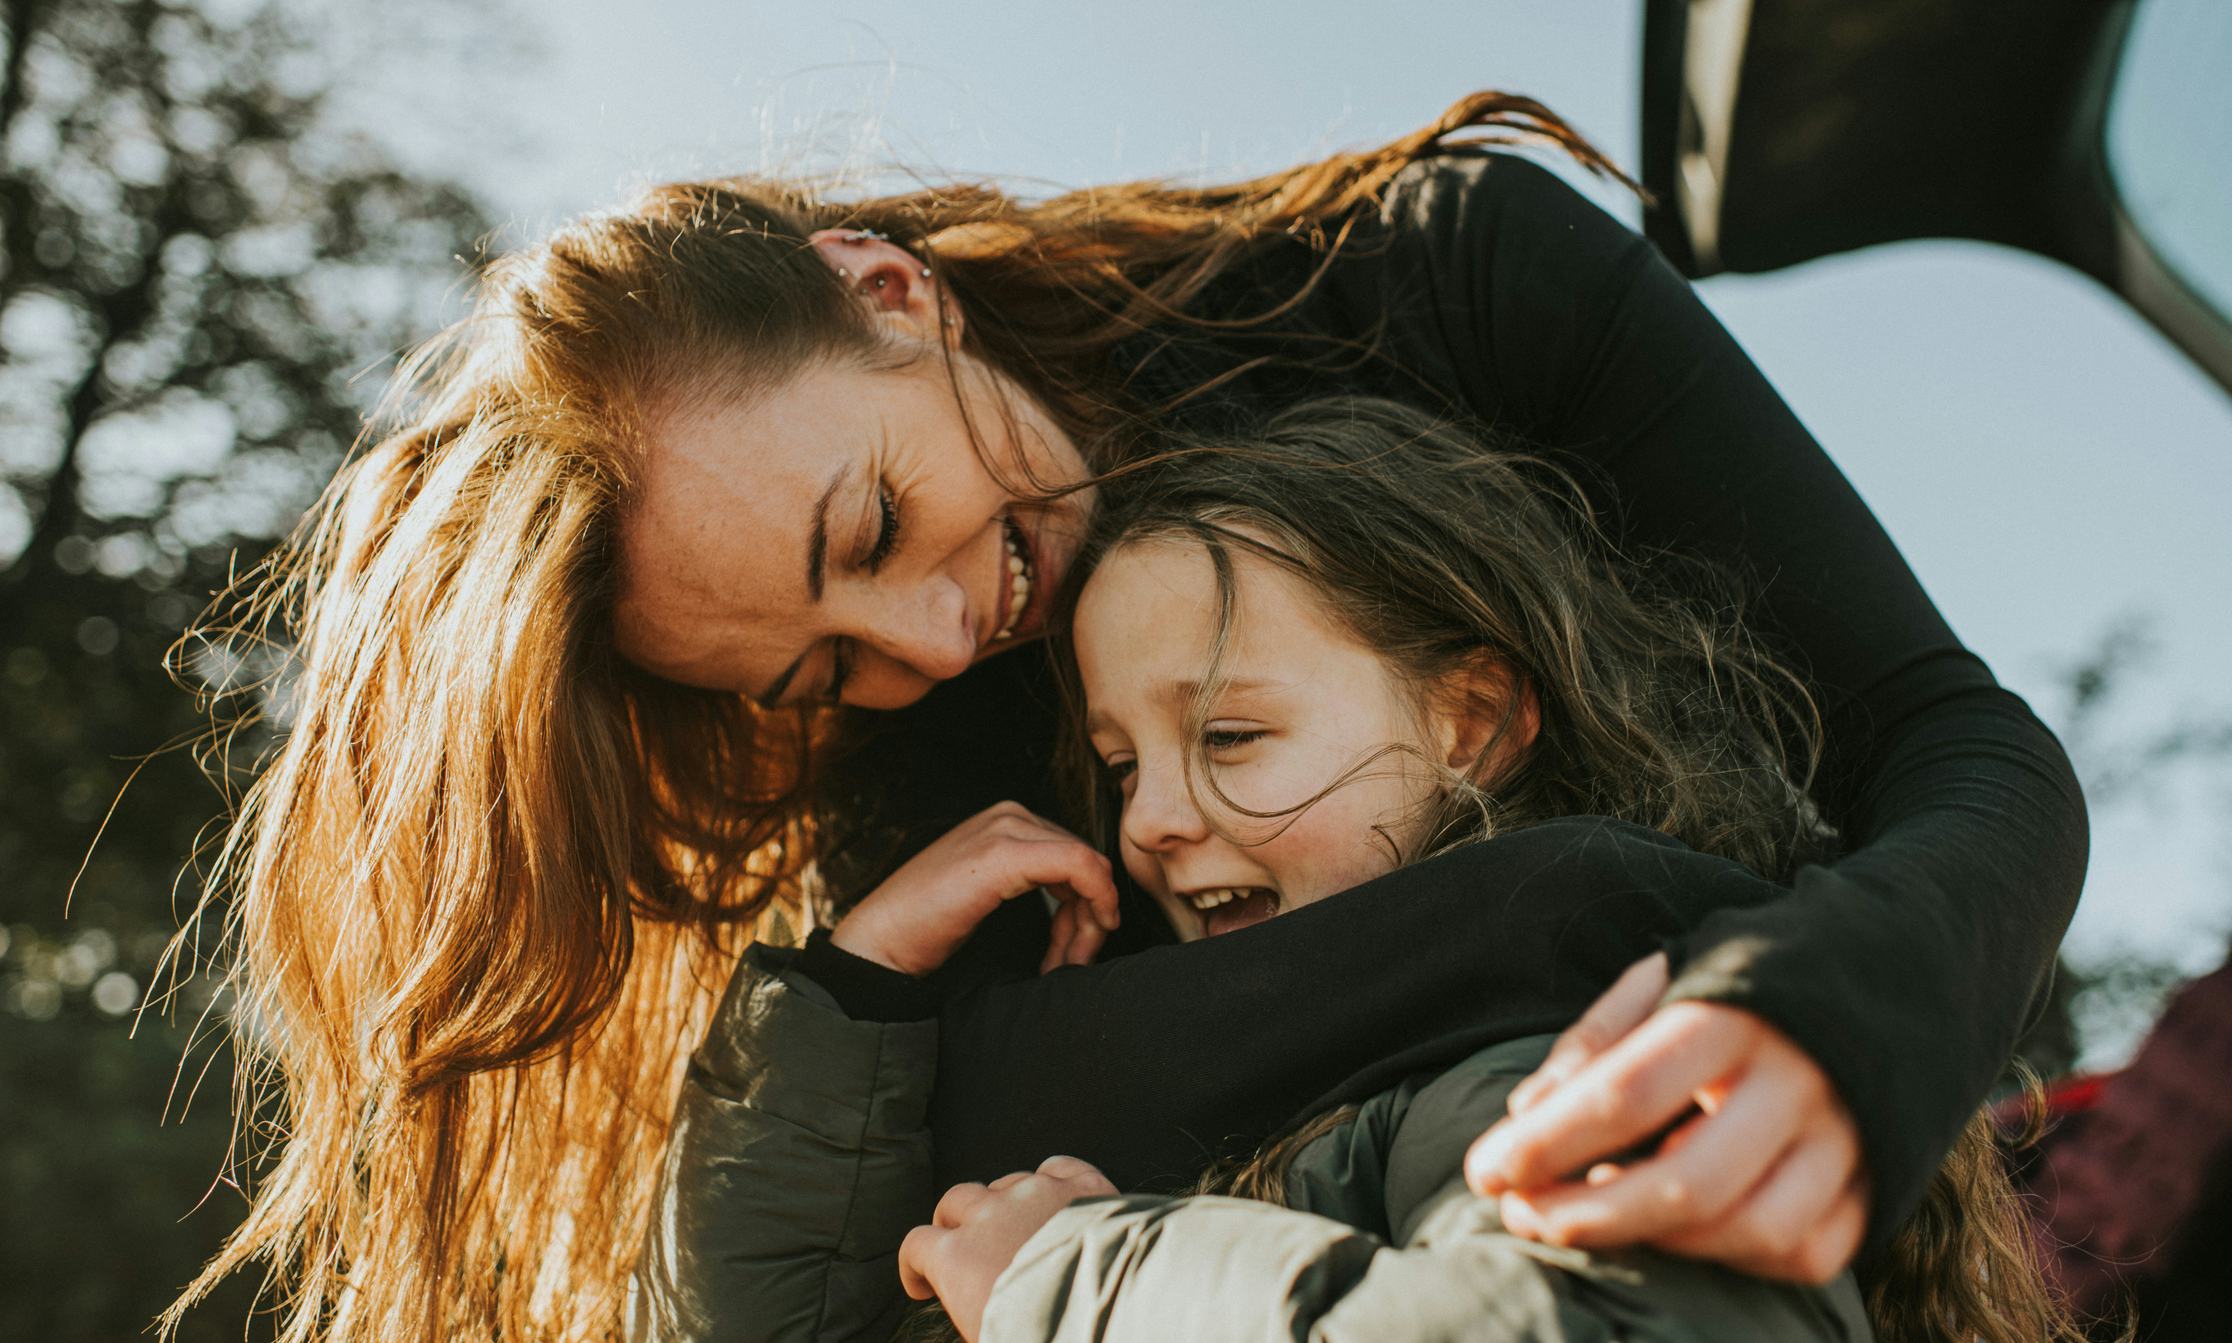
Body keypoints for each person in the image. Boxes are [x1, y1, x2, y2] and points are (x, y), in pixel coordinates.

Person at [168, 93, 2085, 1343]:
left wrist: (1829, 1007)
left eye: (877, 522)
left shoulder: (1442, 276)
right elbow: (964, 1157)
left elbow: (1961, 763)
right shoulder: (921, 731)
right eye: (816, 672)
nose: (935, 638)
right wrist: (1594, 911)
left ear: (890, 291)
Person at [647, 398, 2077, 1343]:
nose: (1149, 822)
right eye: (1124, 764)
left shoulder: (1553, 1038)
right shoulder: (1290, 1097)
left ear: (1472, 723)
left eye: (1232, 734)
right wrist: (851, 993)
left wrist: (1069, 1277)